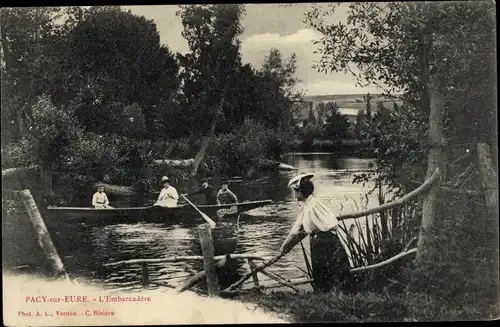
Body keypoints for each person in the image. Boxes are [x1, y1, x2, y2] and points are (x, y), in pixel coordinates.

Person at [279, 173, 352, 293]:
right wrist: (286, 247)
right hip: (333, 240)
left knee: (324, 278)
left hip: (321, 244)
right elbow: (299, 230)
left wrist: (283, 248)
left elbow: (294, 233)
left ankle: (330, 299)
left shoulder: (310, 207)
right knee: (337, 275)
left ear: (300, 192)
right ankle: (337, 299)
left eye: (295, 191)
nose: (294, 194)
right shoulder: (314, 203)